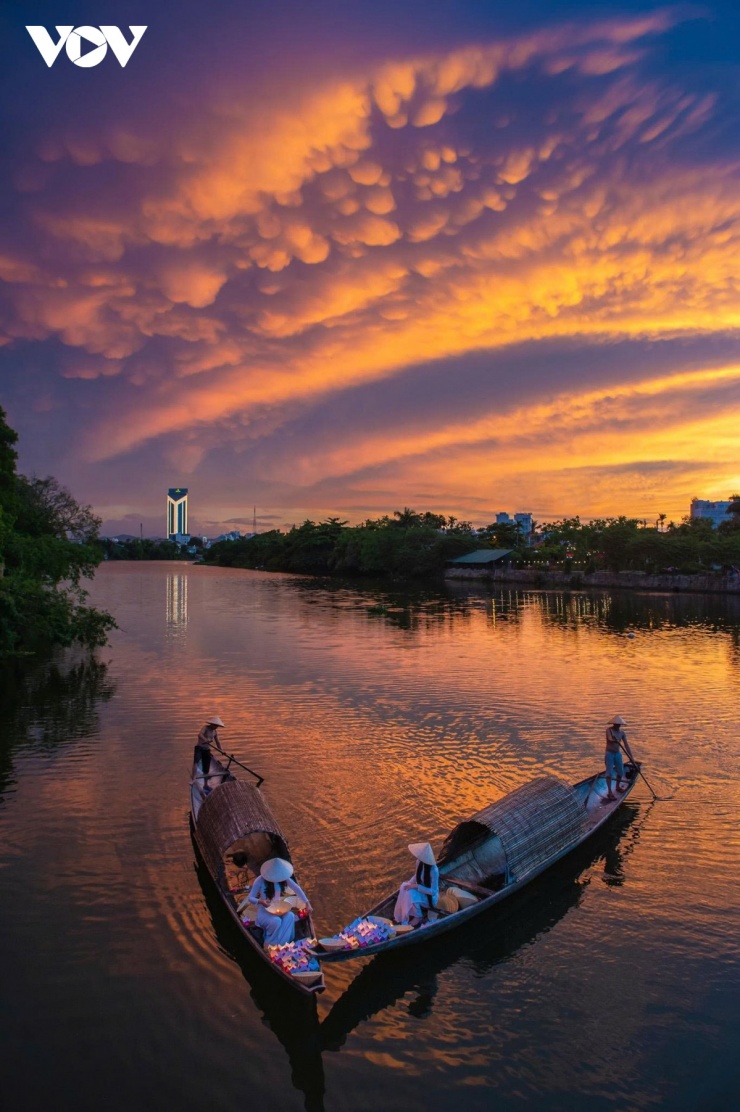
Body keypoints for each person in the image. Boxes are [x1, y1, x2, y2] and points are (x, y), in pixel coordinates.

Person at [246, 858, 313, 947]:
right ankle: (269, 945)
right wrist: (261, 901)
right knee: (276, 921)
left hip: (278, 909)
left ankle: (282, 944)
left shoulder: (283, 878)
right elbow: (250, 898)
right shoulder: (260, 880)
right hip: (265, 911)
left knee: (290, 916)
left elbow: (297, 889)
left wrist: (307, 903)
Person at [393, 842, 439, 925]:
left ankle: (418, 916)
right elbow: (416, 876)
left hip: (431, 898)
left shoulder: (434, 871)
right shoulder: (419, 862)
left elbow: (433, 891)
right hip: (421, 891)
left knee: (411, 894)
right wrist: (409, 884)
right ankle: (408, 912)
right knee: (404, 887)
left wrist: (417, 886)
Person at [603, 714, 637, 802]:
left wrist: (631, 757)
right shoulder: (609, 730)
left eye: (619, 724)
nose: (617, 726)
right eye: (616, 724)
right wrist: (615, 740)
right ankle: (610, 792)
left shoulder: (622, 733)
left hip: (617, 754)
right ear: (613, 724)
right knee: (609, 773)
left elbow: (626, 745)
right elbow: (610, 739)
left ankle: (617, 786)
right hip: (609, 754)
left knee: (621, 771)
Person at [194, 715, 224, 792]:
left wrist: (221, 751)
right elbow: (199, 735)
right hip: (200, 748)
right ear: (212, 724)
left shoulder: (215, 732)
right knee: (196, 763)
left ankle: (205, 784)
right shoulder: (205, 728)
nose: (216, 727)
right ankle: (193, 779)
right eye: (215, 725)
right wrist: (205, 740)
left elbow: (218, 742)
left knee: (206, 768)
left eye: (217, 726)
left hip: (207, 750)